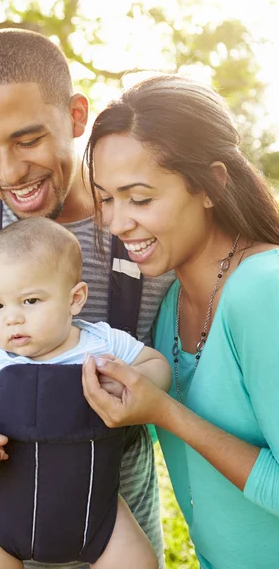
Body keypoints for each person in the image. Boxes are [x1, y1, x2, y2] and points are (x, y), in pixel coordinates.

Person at [0, 29, 174, 569]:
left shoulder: (141, 234)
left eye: (27, 140)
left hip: (113, 536)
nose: (9, 170)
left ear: (75, 117)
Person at [81, 73, 279, 569]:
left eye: (141, 198)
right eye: (107, 198)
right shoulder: (170, 304)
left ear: (212, 183)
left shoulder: (262, 290)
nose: (118, 223)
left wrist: (165, 412)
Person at [0, 217, 172, 569]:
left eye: (29, 300)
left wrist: (128, 381)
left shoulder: (100, 342)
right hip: (0, 512)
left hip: (98, 509)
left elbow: (157, 364)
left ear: (75, 299)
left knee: (138, 562)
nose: (11, 318)